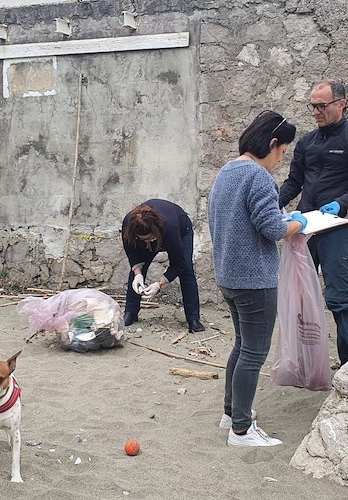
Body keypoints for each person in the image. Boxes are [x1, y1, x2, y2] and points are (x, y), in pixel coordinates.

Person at [208, 110, 307, 447]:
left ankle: (230, 413)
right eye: (282, 152)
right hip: (254, 279)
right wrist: (300, 222)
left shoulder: (227, 171)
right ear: (272, 143)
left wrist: (284, 217)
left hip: (229, 276)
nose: (280, 160)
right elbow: (273, 229)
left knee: (241, 346)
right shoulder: (258, 176)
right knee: (253, 352)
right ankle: (241, 429)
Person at [279, 79, 348, 366]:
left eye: (322, 106)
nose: (316, 112)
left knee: (341, 299)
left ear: (341, 104)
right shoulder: (307, 142)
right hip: (305, 227)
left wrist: (342, 204)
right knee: (299, 300)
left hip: (336, 227)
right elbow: (294, 181)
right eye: (313, 106)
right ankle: (304, 364)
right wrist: (274, 200)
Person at [121, 199, 205, 333]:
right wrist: (138, 274)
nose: (147, 242)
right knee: (138, 271)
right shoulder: (128, 225)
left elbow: (179, 264)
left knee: (187, 271)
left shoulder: (171, 228)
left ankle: (193, 319)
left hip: (182, 230)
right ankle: (130, 312)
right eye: (143, 240)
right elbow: (132, 253)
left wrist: (159, 284)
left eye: (149, 239)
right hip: (150, 234)